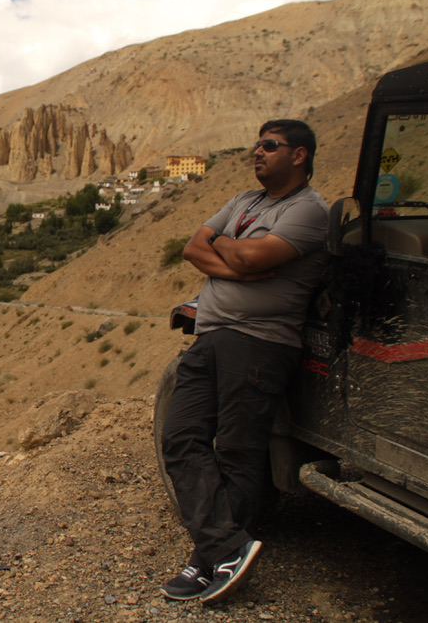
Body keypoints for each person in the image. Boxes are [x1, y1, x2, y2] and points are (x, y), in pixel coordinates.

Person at [158, 119, 329, 604]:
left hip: (260, 342)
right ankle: (227, 548)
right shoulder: (243, 201)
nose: (258, 151)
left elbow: (251, 257)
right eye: (257, 144)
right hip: (211, 336)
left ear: (299, 155)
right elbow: (193, 248)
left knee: (237, 450)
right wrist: (238, 264)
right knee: (179, 436)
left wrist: (227, 250)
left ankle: (209, 559)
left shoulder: (308, 210)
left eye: (270, 145)